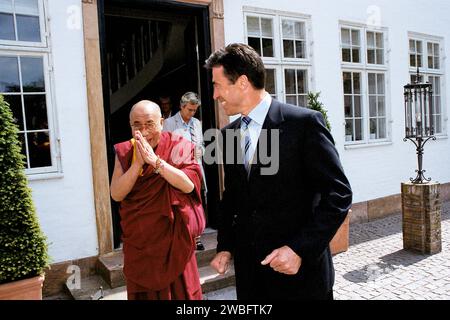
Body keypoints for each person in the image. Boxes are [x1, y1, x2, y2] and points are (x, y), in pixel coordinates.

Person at [206, 43, 353, 300]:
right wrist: (225, 246)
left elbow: (338, 194)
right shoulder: (228, 135)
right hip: (252, 280)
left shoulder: (304, 124)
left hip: (301, 279)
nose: (214, 95)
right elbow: (233, 199)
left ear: (242, 83)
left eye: (217, 85)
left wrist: (299, 249)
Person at [110, 100, 205, 300]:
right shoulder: (126, 151)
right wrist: (137, 165)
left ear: (161, 122)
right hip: (141, 244)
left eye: (150, 124)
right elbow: (116, 194)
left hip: (174, 241)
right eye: (137, 125)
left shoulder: (179, 146)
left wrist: (156, 162)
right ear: (131, 126)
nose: (144, 132)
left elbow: (188, 185)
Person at [163, 92, 207, 251]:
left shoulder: (196, 123)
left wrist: (201, 151)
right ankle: (182, 238)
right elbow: (164, 148)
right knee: (181, 205)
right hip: (178, 170)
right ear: (181, 107)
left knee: (196, 204)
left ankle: (197, 238)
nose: (192, 113)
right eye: (189, 110)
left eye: (195, 110)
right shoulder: (169, 123)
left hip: (195, 169)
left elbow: (201, 144)